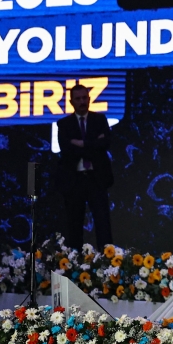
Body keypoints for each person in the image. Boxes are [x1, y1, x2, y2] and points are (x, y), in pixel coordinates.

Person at [56, 84, 114, 250]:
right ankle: (74, 265)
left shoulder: (100, 120)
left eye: (84, 98)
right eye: (78, 99)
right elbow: (67, 150)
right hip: (74, 182)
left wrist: (81, 143)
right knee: (74, 227)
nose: (82, 102)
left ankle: (108, 263)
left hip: (97, 179)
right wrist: (93, 144)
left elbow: (104, 145)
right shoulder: (64, 124)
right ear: (71, 102)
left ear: (89, 99)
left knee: (103, 225)